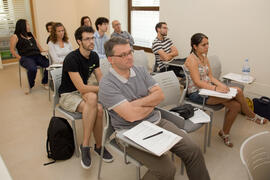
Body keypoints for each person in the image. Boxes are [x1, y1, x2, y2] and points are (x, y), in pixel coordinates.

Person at [99, 37, 210, 180]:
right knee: (167, 170)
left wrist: (137, 104)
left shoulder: (140, 70)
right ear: (111, 59)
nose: (129, 57)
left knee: (193, 151)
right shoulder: (107, 84)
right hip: (129, 132)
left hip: (156, 120)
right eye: (123, 55)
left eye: (130, 52)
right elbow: (131, 116)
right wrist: (149, 103)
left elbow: (159, 95)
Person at [183, 33, 268, 148]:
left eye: (208, 44)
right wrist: (216, 88)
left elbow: (211, 77)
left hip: (208, 89)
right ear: (195, 46)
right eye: (204, 45)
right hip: (197, 93)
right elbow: (198, 82)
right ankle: (251, 115)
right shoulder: (191, 59)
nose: (207, 47)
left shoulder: (204, 57)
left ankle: (224, 133)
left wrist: (223, 86)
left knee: (236, 106)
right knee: (237, 91)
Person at [58, 26, 113, 169]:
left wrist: (109, 86)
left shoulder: (94, 56)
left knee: (99, 108)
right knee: (95, 104)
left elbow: (100, 78)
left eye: (92, 38)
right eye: (87, 39)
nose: (91, 41)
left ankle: (98, 146)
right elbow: (82, 87)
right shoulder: (71, 58)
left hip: (81, 93)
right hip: (68, 95)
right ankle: (86, 145)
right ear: (79, 41)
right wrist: (102, 89)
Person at [10, 19, 49, 94]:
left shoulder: (31, 34)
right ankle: (31, 85)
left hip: (37, 55)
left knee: (49, 64)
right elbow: (12, 50)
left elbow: (38, 45)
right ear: (22, 26)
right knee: (32, 69)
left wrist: (43, 51)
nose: (29, 26)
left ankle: (45, 81)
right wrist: (20, 58)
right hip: (26, 57)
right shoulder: (15, 36)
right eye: (27, 24)